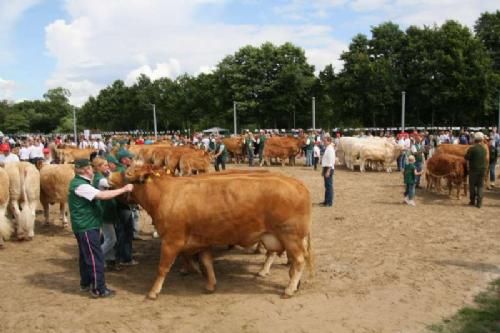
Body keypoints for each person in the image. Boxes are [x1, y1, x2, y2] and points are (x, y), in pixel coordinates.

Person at [68, 159, 133, 298]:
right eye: (90, 168)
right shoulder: (80, 185)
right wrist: (124, 189)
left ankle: (85, 283)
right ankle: (99, 289)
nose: (92, 170)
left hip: (85, 225)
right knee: (94, 257)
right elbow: (102, 195)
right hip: (86, 225)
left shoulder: (80, 183)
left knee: (86, 256)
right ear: (86, 170)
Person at [92, 157, 120, 271]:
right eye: (104, 165)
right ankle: (96, 258)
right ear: (98, 167)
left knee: (108, 237)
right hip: (105, 211)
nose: (107, 167)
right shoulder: (101, 180)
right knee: (111, 239)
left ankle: (109, 260)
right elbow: (114, 183)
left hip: (105, 210)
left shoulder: (100, 177)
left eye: (107, 165)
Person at [114, 148, 141, 264]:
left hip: (121, 205)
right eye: (130, 158)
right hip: (123, 205)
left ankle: (122, 255)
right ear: (124, 160)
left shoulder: (121, 170)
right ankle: (125, 257)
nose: (131, 160)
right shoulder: (123, 172)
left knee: (122, 231)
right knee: (126, 231)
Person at [465, 132, 487, 208]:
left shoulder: (471, 149)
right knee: (480, 186)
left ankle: (472, 201)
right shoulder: (484, 149)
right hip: (482, 170)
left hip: (473, 170)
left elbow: (466, 158)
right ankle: (479, 203)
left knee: (472, 186)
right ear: (481, 140)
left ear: (475, 140)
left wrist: (467, 168)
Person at [320, 136, 335, 207]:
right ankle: (326, 201)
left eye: (325, 141)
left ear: (329, 141)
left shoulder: (330, 149)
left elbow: (331, 161)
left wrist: (328, 171)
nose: (324, 142)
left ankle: (329, 202)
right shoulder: (328, 148)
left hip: (328, 168)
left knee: (329, 186)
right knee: (327, 185)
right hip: (326, 167)